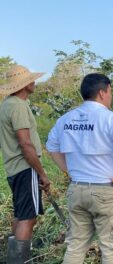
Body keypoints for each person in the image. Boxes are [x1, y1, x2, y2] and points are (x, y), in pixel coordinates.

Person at [46, 73, 113, 264]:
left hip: (77, 190)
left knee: (76, 245)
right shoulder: (111, 119)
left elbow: (52, 148)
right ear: (102, 92)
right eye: (110, 92)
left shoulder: (65, 120)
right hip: (106, 191)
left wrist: (70, 172)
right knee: (112, 248)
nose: (110, 97)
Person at [0, 65, 51, 263]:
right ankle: (18, 261)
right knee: (28, 218)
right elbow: (25, 143)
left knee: (21, 215)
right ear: (24, 85)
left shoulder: (6, 104)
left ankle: (13, 258)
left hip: (13, 169)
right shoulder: (19, 106)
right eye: (31, 79)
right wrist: (42, 173)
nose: (34, 82)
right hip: (25, 168)